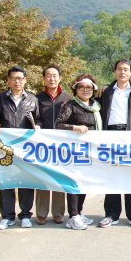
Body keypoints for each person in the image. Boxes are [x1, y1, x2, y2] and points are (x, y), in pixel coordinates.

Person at [98, 59, 131, 228]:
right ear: (115, 72)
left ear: (130, 72)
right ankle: (111, 214)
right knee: (111, 175)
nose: (122, 72)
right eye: (119, 69)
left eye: (126, 69)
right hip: (111, 135)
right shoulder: (106, 92)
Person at [0, 65, 42, 230]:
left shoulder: (32, 100)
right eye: (13, 78)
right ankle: (7, 216)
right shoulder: (0, 98)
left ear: (25, 80)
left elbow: (39, 119)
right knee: (6, 182)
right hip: (5, 147)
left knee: (25, 181)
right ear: (8, 80)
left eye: (20, 78)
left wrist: (39, 126)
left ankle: (26, 215)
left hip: (25, 147)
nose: (17, 81)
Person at [55, 74, 102, 230]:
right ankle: (73, 217)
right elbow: (58, 125)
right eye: (81, 87)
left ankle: (80, 212)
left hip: (90, 151)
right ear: (76, 90)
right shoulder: (70, 106)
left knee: (84, 183)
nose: (85, 90)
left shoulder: (96, 106)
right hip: (74, 151)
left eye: (88, 87)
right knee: (74, 183)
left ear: (93, 90)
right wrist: (75, 128)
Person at [35, 64, 72, 225]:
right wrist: (37, 125)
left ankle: (58, 212)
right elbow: (35, 117)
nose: (52, 78)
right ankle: (41, 213)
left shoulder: (68, 97)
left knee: (59, 178)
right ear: (44, 78)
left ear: (59, 78)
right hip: (42, 144)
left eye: (55, 75)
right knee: (42, 178)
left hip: (62, 145)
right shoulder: (37, 98)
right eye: (48, 75)